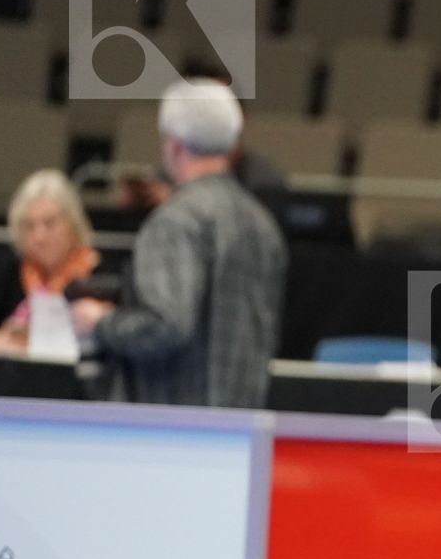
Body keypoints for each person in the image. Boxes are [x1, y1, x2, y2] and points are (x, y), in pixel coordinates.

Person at [72, 78, 287, 408]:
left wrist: (99, 322)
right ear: (232, 146)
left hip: (178, 432)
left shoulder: (176, 221)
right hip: (242, 428)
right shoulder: (262, 224)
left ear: (173, 146)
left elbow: (165, 326)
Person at [0, 170, 111, 349]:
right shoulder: (12, 269)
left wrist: (103, 320)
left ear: (72, 224)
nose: (40, 236)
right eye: (29, 226)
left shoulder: (99, 274)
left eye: (50, 223)